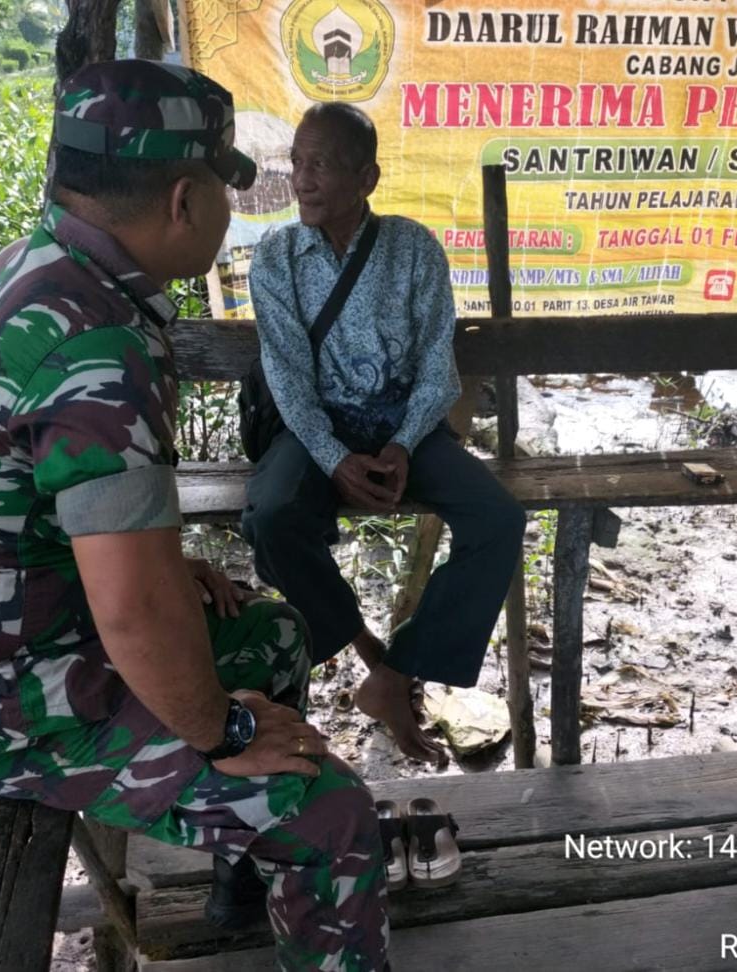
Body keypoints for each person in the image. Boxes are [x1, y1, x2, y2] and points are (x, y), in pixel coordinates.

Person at [0, 60, 389, 970]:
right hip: (10, 707)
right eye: (228, 193)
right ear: (185, 201)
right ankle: (285, 855)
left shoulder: (52, 268)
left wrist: (158, 568)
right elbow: (133, 614)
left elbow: (74, 519)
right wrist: (221, 729)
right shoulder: (92, 339)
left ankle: (245, 880)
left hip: (19, 635)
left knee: (272, 636)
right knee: (336, 819)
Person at [243, 103, 526, 763]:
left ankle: (396, 679)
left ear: (367, 178)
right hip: (317, 429)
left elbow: (437, 369)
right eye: (296, 162)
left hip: (405, 425)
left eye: (322, 164)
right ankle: (377, 657)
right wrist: (335, 457)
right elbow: (287, 378)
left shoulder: (413, 249)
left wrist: (402, 444)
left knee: (498, 519)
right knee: (272, 516)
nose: (302, 179)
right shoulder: (278, 256)